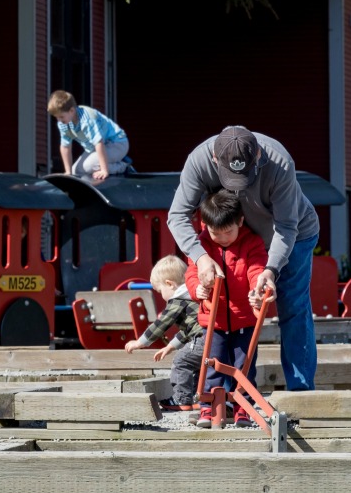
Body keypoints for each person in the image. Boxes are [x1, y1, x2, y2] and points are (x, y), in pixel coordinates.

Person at [168, 125, 320, 392]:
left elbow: (286, 227)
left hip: (292, 235)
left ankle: (301, 390)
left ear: (258, 155)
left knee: (292, 305)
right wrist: (201, 257)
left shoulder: (279, 162)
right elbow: (177, 216)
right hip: (232, 240)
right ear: (215, 160)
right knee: (227, 308)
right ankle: (226, 395)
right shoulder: (199, 160)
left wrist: (270, 269)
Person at [185, 189, 267, 428]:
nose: (221, 238)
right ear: (204, 224)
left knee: (245, 367)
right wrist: (197, 289)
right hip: (214, 320)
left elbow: (255, 269)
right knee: (212, 364)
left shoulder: (251, 242)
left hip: (244, 319)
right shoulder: (200, 245)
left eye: (228, 232)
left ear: (240, 222)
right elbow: (192, 272)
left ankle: (243, 408)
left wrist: (256, 289)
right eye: (215, 232)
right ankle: (209, 408)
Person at [124, 254, 204, 412]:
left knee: (182, 362)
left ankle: (181, 399)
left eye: (160, 290)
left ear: (170, 284)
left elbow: (162, 323)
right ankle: (196, 397)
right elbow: (188, 330)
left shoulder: (178, 299)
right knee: (195, 363)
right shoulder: (191, 297)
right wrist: (170, 347)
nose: (161, 295)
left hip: (203, 338)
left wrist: (140, 342)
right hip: (210, 337)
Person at [47, 90, 130, 180]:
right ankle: (108, 164)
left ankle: (122, 167)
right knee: (76, 171)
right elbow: (65, 147)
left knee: (89, 166)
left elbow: (99, 143)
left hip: (117, 143)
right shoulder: (63, 123)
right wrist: (68, 172)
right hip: (97, 147)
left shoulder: (86, 119)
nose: (59, 120)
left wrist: (104, 170)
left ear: (71, 110)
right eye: (56, 117)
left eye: (61, 117)